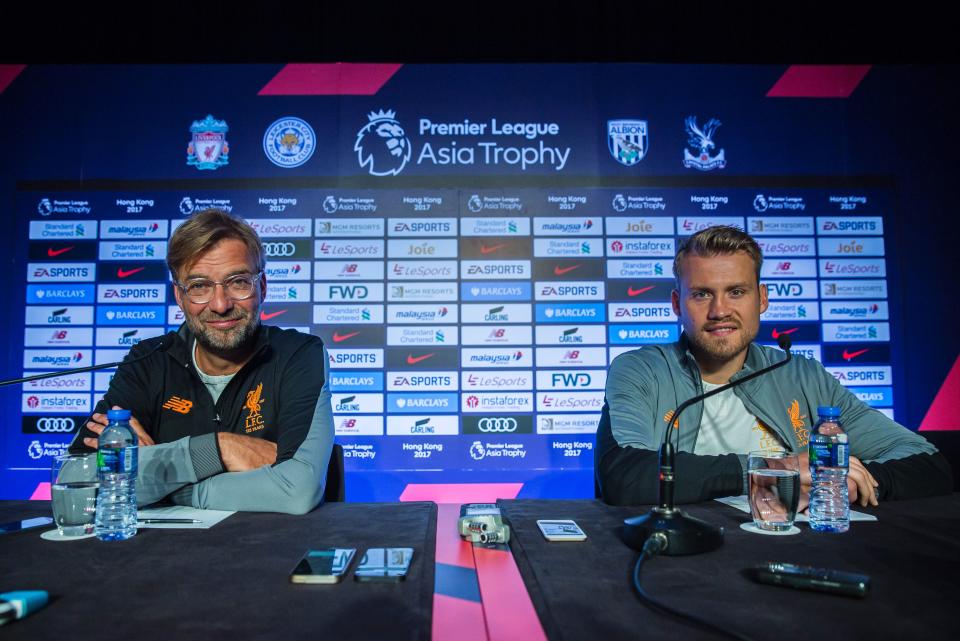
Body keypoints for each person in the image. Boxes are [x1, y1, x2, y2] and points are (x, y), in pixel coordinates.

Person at [595, 225, 952, 507]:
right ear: (677, 303)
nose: (720, 310)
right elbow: (625, 477)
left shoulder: (802, 375)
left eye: (736, 292)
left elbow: (928, 463)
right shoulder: (641, 370)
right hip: (688, 557)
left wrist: (838, 477)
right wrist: (776, 470)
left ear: (762, 299)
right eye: (701, 294)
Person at [70, 209, 333, 514]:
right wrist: (218, 449)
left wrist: (157, 478)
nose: (220, 305)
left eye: (238, 282)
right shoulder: (147, 361)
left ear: (261, 287)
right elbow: (75, 491)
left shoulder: (297, 354)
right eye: (199, 287)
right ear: (179, 297)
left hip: (268, 554)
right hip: (156, 558)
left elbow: (296, 491)